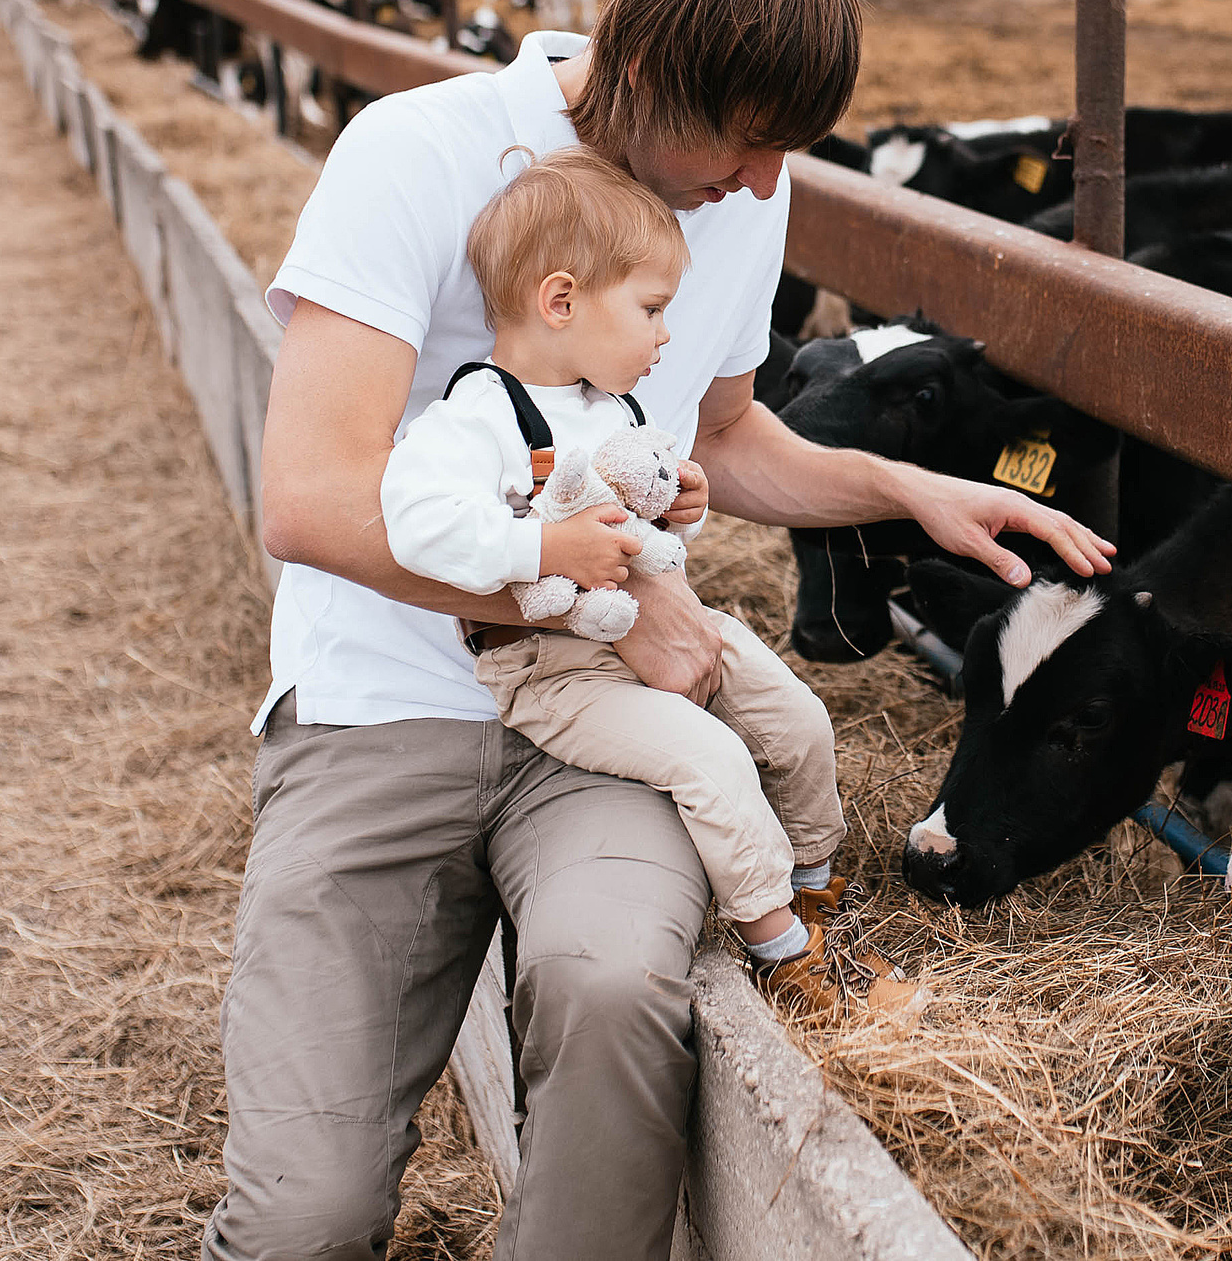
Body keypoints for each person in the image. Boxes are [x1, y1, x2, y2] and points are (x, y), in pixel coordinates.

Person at [208, 0, 1113, 1261]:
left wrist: (900, 485)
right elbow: (310, 496)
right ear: (636, 72)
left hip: (596, 726)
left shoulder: (743, 196)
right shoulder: (416, 152)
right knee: (306, 1216)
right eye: (743, 138)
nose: (761, 183)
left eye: (784, 148)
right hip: (383, 705)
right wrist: (597, 588)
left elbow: (726, 428)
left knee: (618, 984)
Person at [376, 143, 909, 1019]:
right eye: (653, 308)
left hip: (665, 624)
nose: (667, 334)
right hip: (555, 669)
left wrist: (687, 502)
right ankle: (784, 950)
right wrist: (544, 550)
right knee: (715, 762)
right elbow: (417, 522)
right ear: (560, 300)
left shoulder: (612, 403)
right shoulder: (476, 415)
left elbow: (650, 516)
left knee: (799, 722)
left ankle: (819, 891)